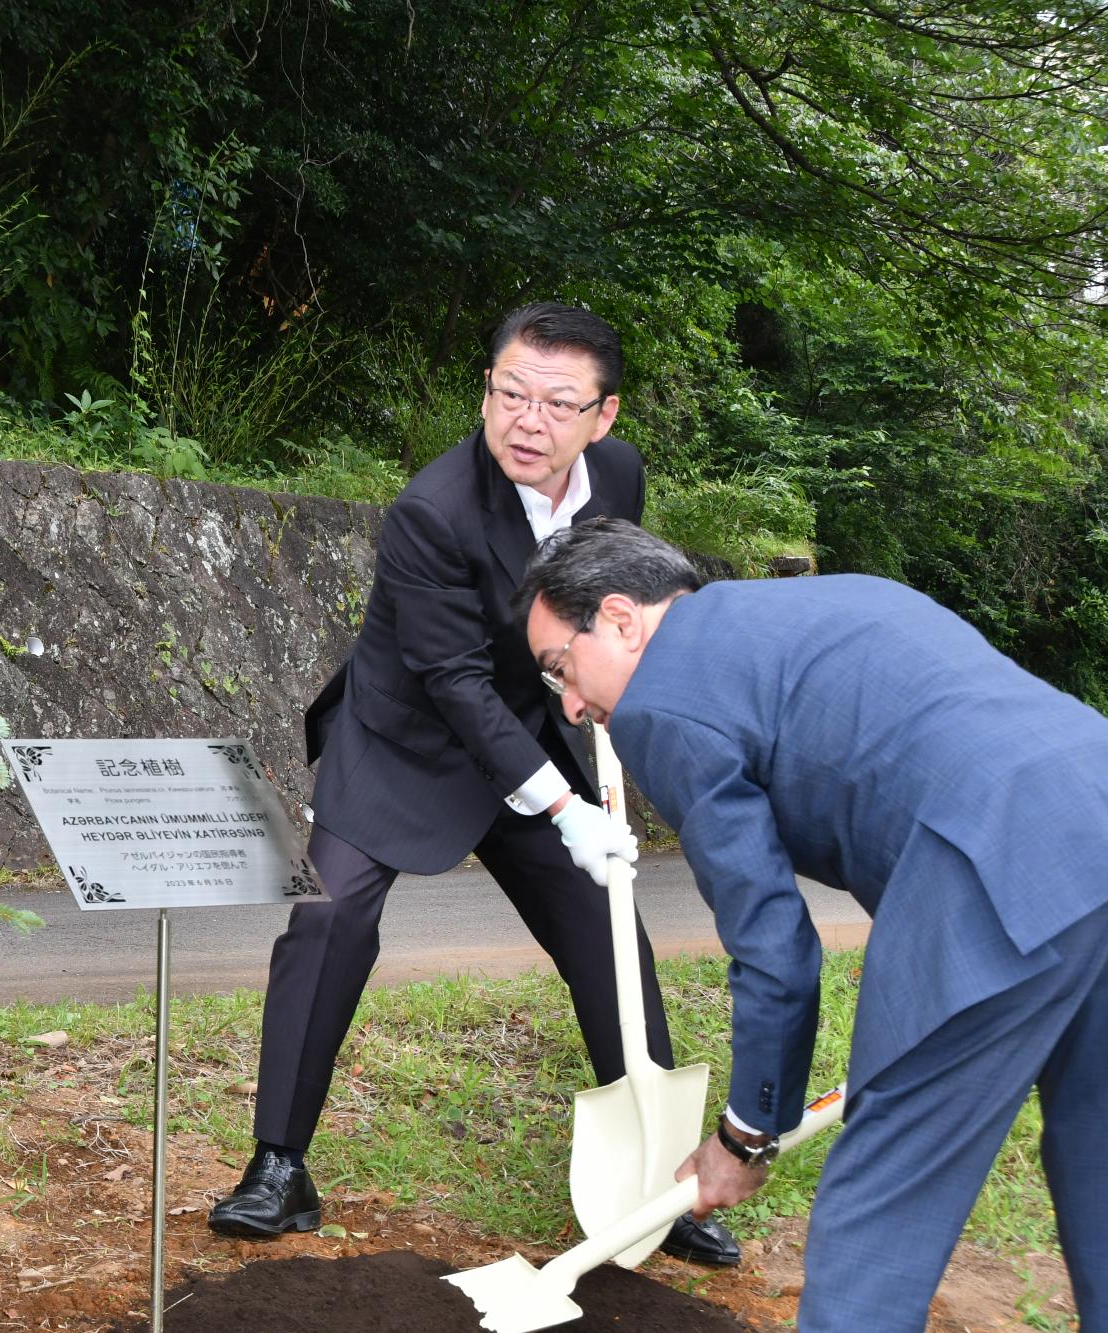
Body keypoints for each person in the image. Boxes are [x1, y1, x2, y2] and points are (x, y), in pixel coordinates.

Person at [207, 304, 738, 1268]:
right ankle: (278, 1167)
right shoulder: (432, 510)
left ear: (603, 417)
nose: (526, 421)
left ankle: (669, 1183)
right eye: (508, 394)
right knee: (329, 920)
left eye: (556, 402)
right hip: (403, 740)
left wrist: (592, 693)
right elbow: (452, 680)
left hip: (533, 727)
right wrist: (566, 807)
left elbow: (610, 603)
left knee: (608, 932)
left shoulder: (617, 477)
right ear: (486, 391)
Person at [515, 517, 1108, 1332]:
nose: (569, 702)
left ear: (625, 618)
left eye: (561, 666)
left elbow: (774, 948)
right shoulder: (823, 604)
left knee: (884, 1196)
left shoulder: (663, 703)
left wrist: (744, 1137)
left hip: (990, 859)